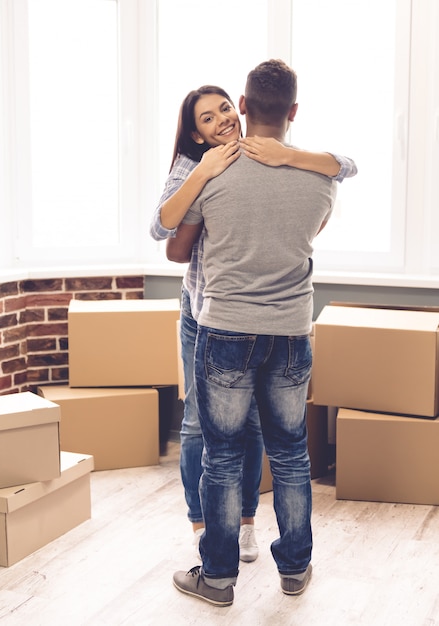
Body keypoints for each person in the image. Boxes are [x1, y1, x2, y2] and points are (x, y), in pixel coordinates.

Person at [150, 85, 356, 564]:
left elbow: (344, 164)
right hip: (209, 313)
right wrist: (203, 172)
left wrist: (290, 155)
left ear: (241, 106)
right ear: (195, 133)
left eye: (224, 108)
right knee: (208, 429)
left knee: (247, 438)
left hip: (232, 320)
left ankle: (238, 535)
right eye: (207, 118)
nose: (221, 119)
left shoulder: (276, 161)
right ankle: (208, 532)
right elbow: (164, 232)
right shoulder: (195, 168)